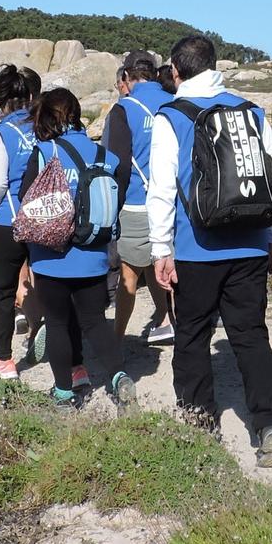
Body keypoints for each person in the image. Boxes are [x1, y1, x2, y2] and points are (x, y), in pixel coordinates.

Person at [148, 34, 272, 467]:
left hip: (197, 246)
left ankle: (200, 421)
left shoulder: (170, 116)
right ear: (214, 64)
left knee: (192, 334)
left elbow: (161, 191)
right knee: (250, 335)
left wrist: (161, 249)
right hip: (250, 242)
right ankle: (269, 426)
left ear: (175, 71)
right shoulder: (250, 111)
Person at [22, 88, 138, 410]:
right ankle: (118, 378)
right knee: (94, 321)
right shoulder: (106, 156)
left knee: (58, 323)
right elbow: (119, 196)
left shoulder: (45, 152)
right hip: (94, 256)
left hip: (51, 258)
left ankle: (63, 393)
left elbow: (25, 197)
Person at [103, 51, 176, 345]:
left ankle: (116, 339)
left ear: (126, 76)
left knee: (129, 275)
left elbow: (114, 163)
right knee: (160, 261)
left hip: (136, 201)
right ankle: (167, 318)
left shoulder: (123, 110)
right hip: (174, 203)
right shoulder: (175, 102)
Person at [0, 65, 45, 379]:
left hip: (11, 218)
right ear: (32, 95)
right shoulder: (46, 124)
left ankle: (4, 360)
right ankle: (71, 360)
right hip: (48, 216)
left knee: (3, 291)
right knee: (50, 285)